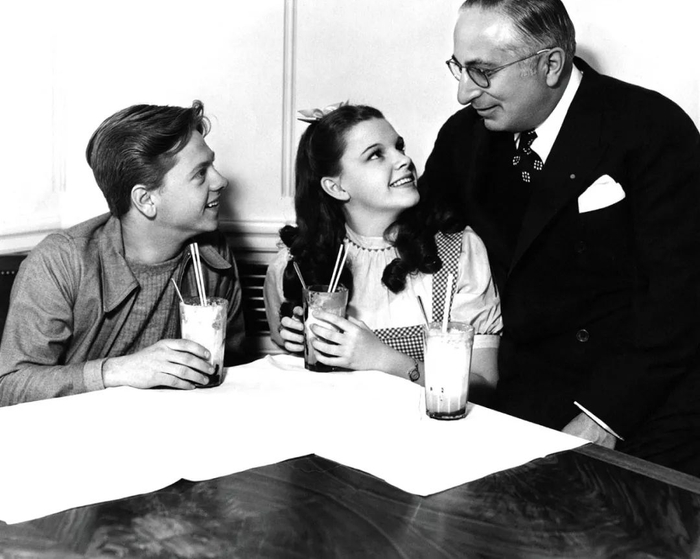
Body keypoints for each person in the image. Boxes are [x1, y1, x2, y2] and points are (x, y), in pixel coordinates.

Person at [420, 0, 700, 472]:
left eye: (483, 72)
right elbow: (414, 231)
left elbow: (679, 299)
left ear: (550, 65)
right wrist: (337, 165)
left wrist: (601, 419)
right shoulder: (464, 137)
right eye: (460, 69)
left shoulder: (652, 127)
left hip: (642, 407)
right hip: (520, 400)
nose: (464, 93)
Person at [0, 101, 245, 406]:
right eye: (200, 173)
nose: (220, 180)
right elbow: (9, 386)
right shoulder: (60, 261)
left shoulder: (214, 256)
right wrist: (116, 371)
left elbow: (234, 365)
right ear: (146, 200)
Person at [264, 103, 502, 395]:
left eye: (399, 147)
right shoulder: (293, 265)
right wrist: (295, 344)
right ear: (336, 187)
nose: (404, 160)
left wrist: (382, 359)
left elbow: (485, 386)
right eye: (376, 154)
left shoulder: (459, 252)